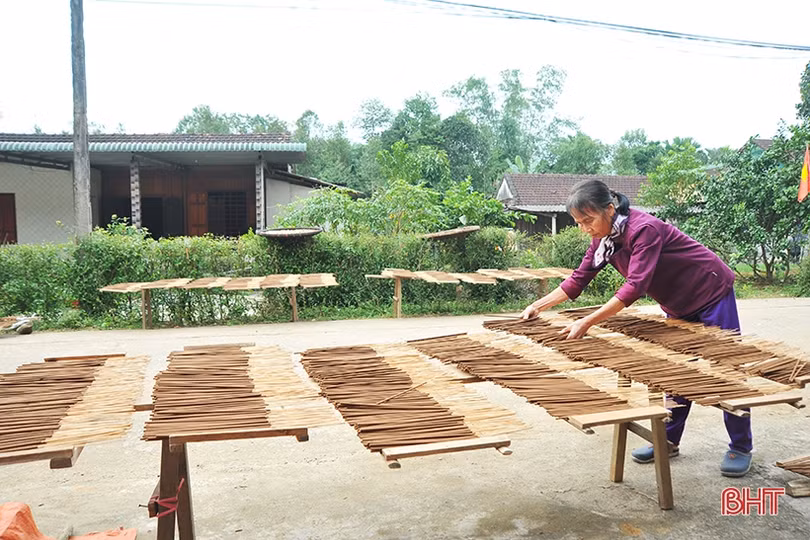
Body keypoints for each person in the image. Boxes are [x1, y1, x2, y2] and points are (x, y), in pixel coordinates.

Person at [520, 179, 753, 477]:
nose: (585, 228)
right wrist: (538, 306)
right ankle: (667, 439)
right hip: (678, 304)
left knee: (726, 369)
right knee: (676, 372)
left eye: (588, 220)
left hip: (709, 291)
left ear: (610, 208)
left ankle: (741, 445)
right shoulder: (603, 240)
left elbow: (634, 287)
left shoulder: (644, 229)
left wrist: (588, 321)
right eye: (579, 223)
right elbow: (578, 279)